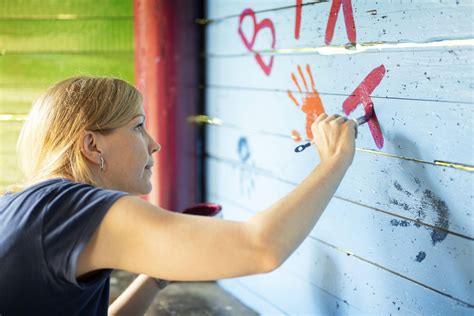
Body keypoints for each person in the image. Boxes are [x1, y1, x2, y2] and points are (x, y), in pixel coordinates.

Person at [0, 76, 356, 315]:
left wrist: (159, 272)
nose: (153, 144)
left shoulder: (24, 205)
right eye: (138, 127)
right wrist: (335, 160)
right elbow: (261, 248)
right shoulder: (72, 208)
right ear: (92, 145)